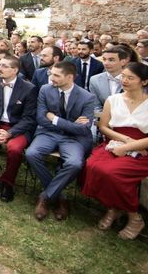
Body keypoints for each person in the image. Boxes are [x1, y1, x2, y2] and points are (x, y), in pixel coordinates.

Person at [81, 62, 148, 240]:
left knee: (114, 174)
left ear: (144, 81)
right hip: (114, 142)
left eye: (130, 78)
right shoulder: (113, 99)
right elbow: (103, 126)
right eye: (123, 76)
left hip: (142, 148)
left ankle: (134, 217)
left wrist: (129, 146)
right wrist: (123, 140)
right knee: (93, 166)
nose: (124, 80)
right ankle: (113, 208)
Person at [25, 61, 95, 221]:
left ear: (70, 77)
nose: (51, 78)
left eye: (56, 75)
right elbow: (41, 118)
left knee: (75, 163)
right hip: (48, 133)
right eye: (51, 74)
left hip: (74, 139)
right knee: (31, 154)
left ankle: (46, 196)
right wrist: (71, 124)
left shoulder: (87, 97)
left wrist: (55, 119)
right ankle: (60, 197)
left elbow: (84, 129)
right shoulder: (45, 89)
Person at [0, 54, 37, 202]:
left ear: (15, 70)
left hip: (18, 128)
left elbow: (29, 118)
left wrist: (10, 133)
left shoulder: (29, 89)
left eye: (4, 66)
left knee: (15, 149)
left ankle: (8, 183)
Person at [89, 46, 129, 113]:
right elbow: (96, 106)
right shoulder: (94, 80)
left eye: (111, 60)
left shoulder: (133, 79)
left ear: (123, 62)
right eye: (104, 59)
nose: (106, 63)